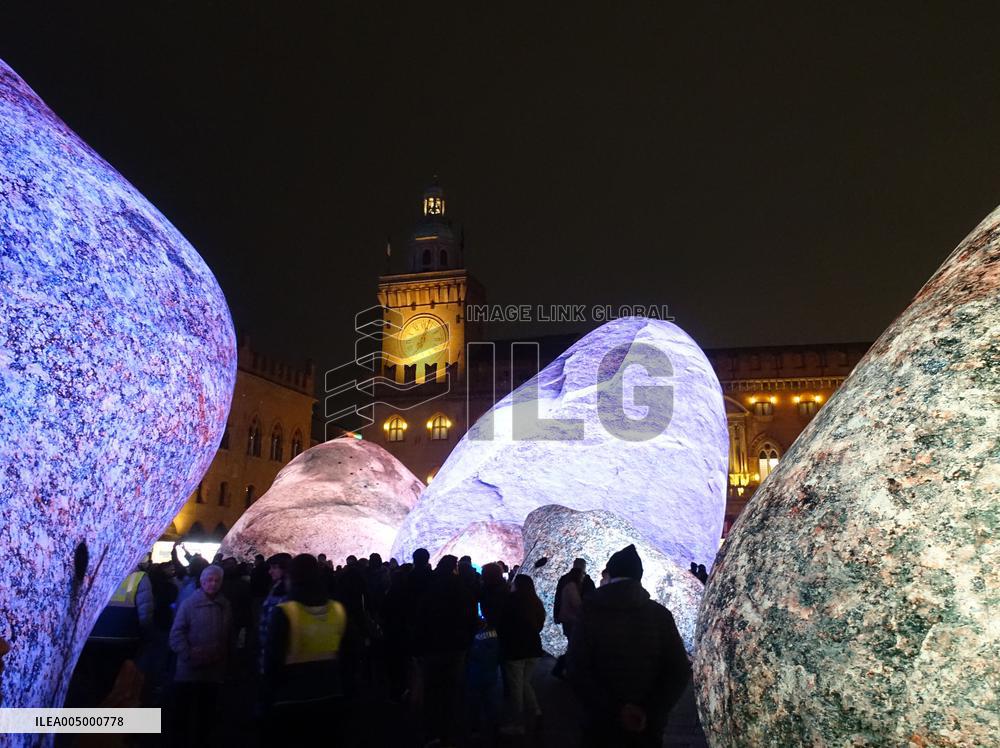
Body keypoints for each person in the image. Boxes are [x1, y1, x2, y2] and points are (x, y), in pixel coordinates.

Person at [567, 544, 690, 747]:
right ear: (639, 576)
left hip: (601, 724)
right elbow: (679, 669)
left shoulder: (590, 612)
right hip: (645, 725)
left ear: (611, 572)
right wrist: (650, 710)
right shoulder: (660, 614)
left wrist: (616, 710)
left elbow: (577, 668)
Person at [261, 554, 348, 740]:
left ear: (291, 578)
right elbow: (349, 656)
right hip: (331, 695)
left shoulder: (285, 612)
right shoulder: (337, 609)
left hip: (291, 698)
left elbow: (272, 660)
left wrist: (266, 698)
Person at [415, 554, 478, 746]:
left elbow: (421, 615)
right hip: (456, 644)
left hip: (432, 644)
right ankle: (451, 730)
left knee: (432, 688)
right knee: (453, 687)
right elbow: (470, 615)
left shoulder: (429, 584)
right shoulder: (460, 587)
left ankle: (431, 732)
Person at [169, 564, 231, 747]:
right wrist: (188, 655)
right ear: (202, 582)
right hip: (189, 670)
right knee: (184, 710)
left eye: (216, 580)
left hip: (214, 669)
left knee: (206, 712)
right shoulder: (189, 604)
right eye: (209, 580)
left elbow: (228, 635)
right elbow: (176, 633)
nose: (213, 584)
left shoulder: (225, 605)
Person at [497, 574, 545, 735]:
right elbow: (540, 623)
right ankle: (536, 712)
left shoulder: (510, 601)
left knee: (516, 686)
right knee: (525, 682)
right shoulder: (535, 601)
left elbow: (502, 625)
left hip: (515, 649)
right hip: (534, 647)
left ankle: (517, 723)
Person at [551, 565, 585, 679]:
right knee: (573, 647)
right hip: (571, 620)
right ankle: (561, 668)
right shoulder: (572, 587)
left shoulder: (567, 585)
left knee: (572, 646)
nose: (583, 577)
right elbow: (577, 604)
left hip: (567, 619)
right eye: (582, 575)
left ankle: (563, 668)